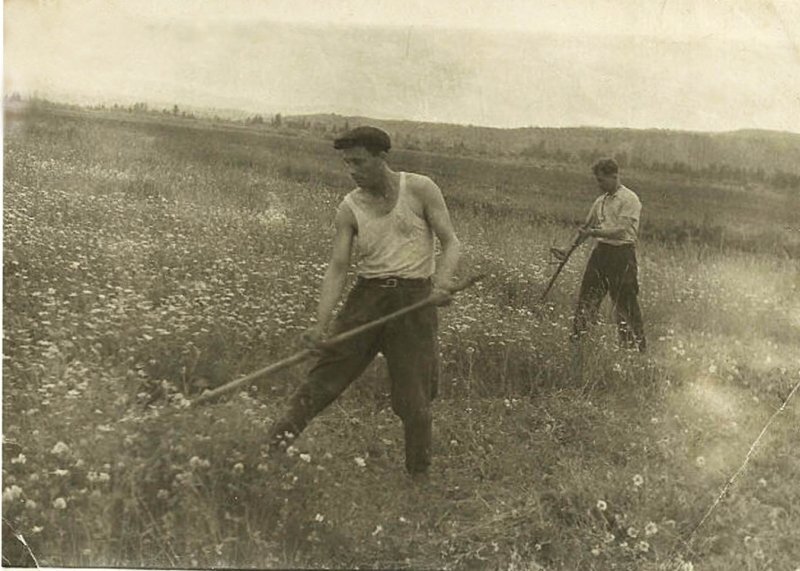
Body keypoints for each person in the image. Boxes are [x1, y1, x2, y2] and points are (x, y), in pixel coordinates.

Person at [266, 125, 461, 478]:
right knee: (323, 380)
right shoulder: (350, 207)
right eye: (347, 164)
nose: (352, 171)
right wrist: (320, 325)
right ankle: (270, 449)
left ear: (381, 157)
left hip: (414, 301)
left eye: (359, 162)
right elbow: (338, 267)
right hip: (367, 299)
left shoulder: (419, 189)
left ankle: (418, 477)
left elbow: (451, 243)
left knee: (415, 398)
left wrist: (442, 285)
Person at [552, 158, 646, 352]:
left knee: (625, 304)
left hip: (622, 255)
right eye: (598, 180)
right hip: (601, 254)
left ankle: (635, 350)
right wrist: (567, 249)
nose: (599, 185)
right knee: (587, 299)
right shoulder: (600, 201)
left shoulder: (630, 199)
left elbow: (621, 230)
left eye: (602, 180)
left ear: (615, 176)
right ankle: (578, 344)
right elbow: (585, 228)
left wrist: (594, 233)